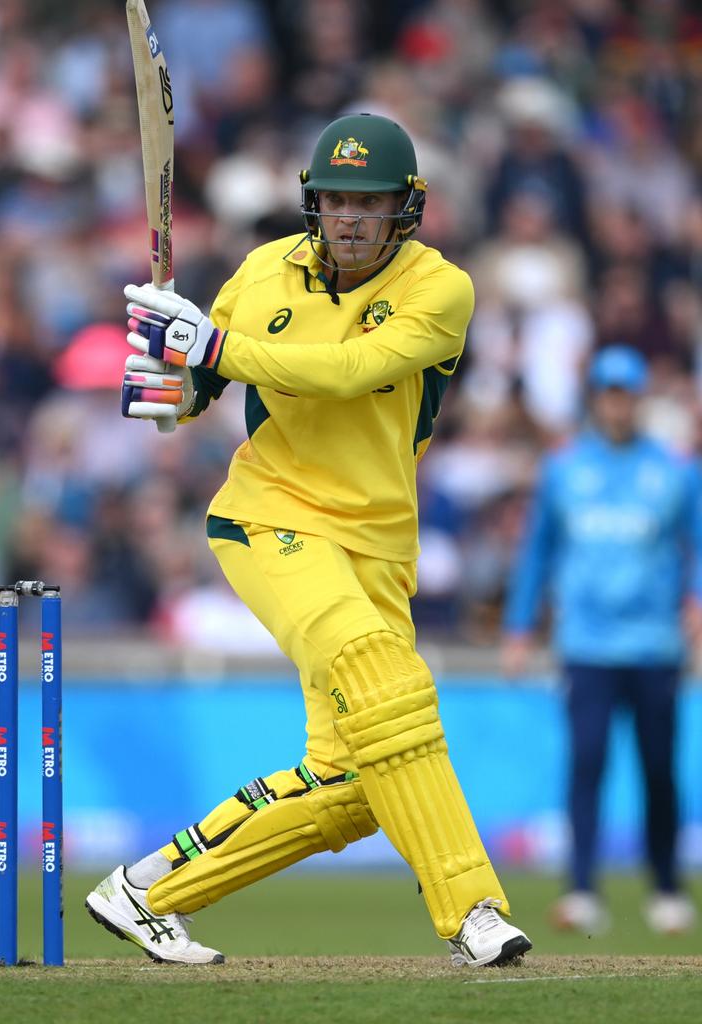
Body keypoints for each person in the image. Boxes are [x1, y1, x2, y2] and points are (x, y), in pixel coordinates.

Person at [86, 113, 532, 967]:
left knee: (357, 782)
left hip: (378, 545)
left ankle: (148, 890)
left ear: (407, 208)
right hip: (272, 519)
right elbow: (184, 404)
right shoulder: (259, 276)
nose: (351, 219)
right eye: (335, 200)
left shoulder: (442, 290)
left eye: (370, 203)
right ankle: (474, 911)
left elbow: (347, 372)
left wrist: (212, 342)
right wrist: (155, 369)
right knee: (384, 678)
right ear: (312, 203)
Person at [502, 345, 700, 935]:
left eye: (626, 393)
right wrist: (518, 627)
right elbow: (538, 552)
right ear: (596, 398)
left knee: (658, 768)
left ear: (639, 398)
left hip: (653, 643)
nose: (617, 404)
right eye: (608, 392)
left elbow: (696, 545)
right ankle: (582, 889)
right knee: (586, 763)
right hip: (586, 643)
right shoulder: (564, 469)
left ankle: (666, 888)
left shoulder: (673, 469)